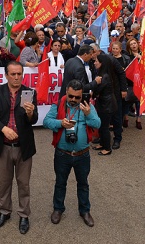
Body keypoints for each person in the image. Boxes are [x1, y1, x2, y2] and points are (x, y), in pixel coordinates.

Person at [0, 61, 38, 234]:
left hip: (24, 147)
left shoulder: (29, 93)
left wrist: (31, 113)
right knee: (5, 182)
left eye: (19, 74)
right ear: (6, 75)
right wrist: (3, 129)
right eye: (13, 74)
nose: (16, 77)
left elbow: (34, 119)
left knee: (23, 184)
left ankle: (24, 215)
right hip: (3, 146)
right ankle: (4, 211)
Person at [43, 79, 100, 227]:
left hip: (83, 154)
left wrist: (88, 114)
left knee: (83, 184)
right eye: (71, 96)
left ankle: (85, 211)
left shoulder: (87, 106)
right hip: (62, 154)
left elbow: (97, 124)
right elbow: (46, 121)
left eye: (77, 97)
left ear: (82, 95)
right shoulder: (59, 104)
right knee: (60, 183)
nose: (74, 100)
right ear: (67, 92)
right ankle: (58, 209)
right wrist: (60, 123)